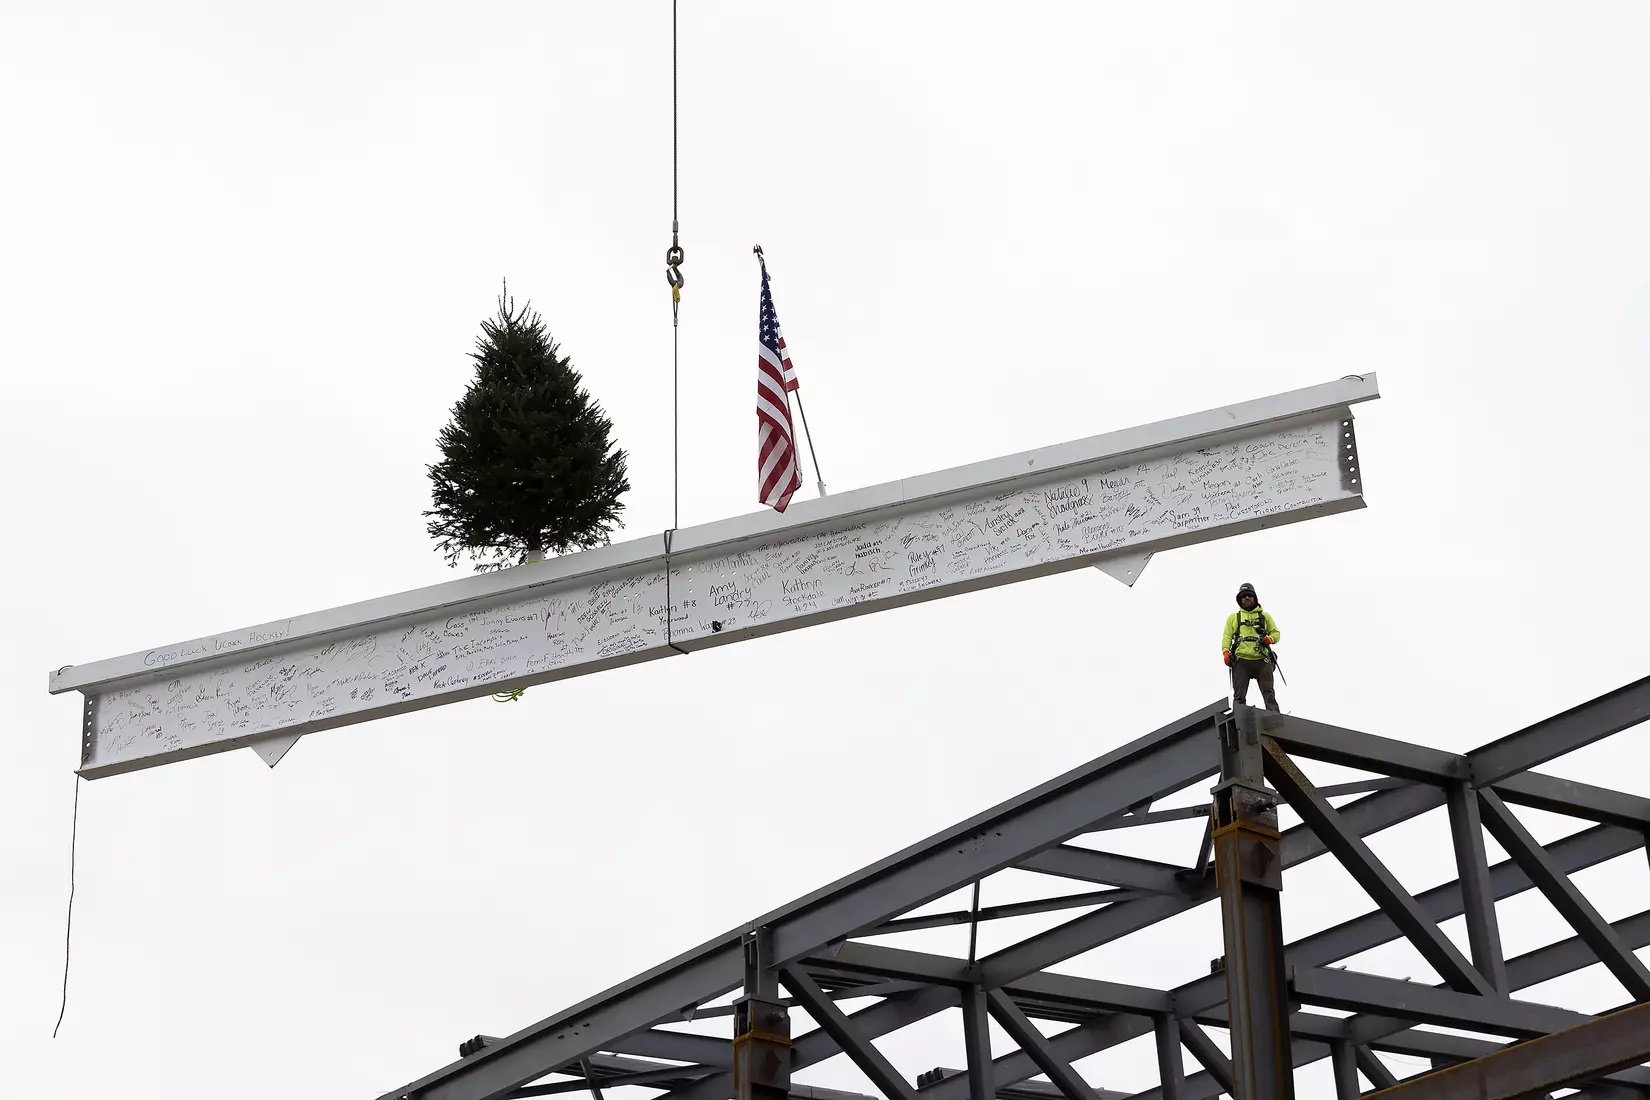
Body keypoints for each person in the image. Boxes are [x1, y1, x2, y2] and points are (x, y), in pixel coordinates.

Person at [1222, 582, 1281, 711]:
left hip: (1262, 659)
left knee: (1269, 693)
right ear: (1239, 599)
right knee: (1239, 696)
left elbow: (1276, 633)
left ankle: (1274, 722)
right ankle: (1239, 722)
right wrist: (1226, 652)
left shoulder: (1265, 616)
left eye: (1249, 595)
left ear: (1254, 598)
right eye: (1243, 596)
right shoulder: (1233, 618)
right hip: (1241, 660)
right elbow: (1227, 636)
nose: (1246, 598)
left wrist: (1269, 639)